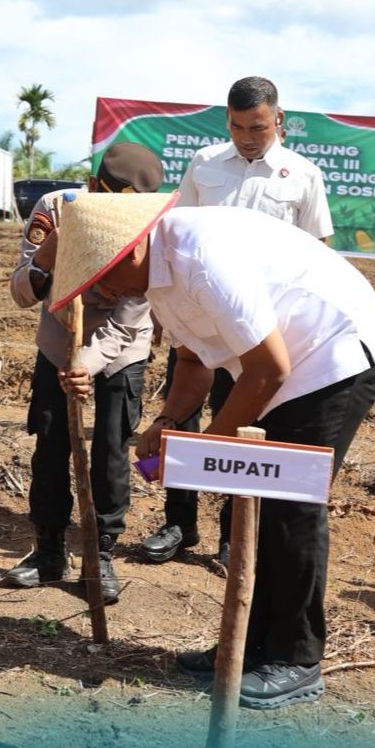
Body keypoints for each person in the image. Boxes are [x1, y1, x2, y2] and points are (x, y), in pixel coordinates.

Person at [47, 194, 375, 709]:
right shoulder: (156, 278)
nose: (101, 289)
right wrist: (169, 424)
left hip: (334, 356)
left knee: (288, 507)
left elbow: (269, 370)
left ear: (133, 250)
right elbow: (192, 363)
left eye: (102, 275)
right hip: (282, 368)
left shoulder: (200, 258)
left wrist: (203, 448)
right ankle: (249, 649)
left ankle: (295, 660)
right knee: (254, 503)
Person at [143, 76, 334, 565]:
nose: (247, 137)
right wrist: (165, 314)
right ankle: (177, 525)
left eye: (257, 127)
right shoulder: (205, 163)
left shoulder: (303, 175)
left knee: (244, 421)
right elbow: (174, 231)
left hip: (259, 330)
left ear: (279, 120)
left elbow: (317, 253)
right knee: (181, 413)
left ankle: (232, 534)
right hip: (199, 315)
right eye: (236, 126)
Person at [3, 143, 163, 604]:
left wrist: (86, 366)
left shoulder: (149, 226)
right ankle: (49, 550)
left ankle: (101, 553)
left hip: (120, 352)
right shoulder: (54, 210)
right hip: (58, 345)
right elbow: (19, 292)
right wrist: (49, 257)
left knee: (111, 450)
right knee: (51, 446)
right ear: (93, 188)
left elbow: (129, 318)